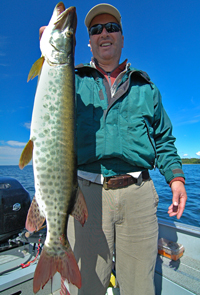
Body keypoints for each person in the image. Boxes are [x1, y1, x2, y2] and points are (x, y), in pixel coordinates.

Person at [41, 3, 187, 295]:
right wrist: (49, 52)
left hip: (139, 195)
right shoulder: (69, 80)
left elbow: (164, 140)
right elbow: (49, 111)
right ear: (89, 41)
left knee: (139, 287)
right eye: (96, 30)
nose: (104, 33)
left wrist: (177, 177)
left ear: (122, 36)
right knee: (87, 286)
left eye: (111, 28)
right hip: (86, 194)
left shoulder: (147, 88)